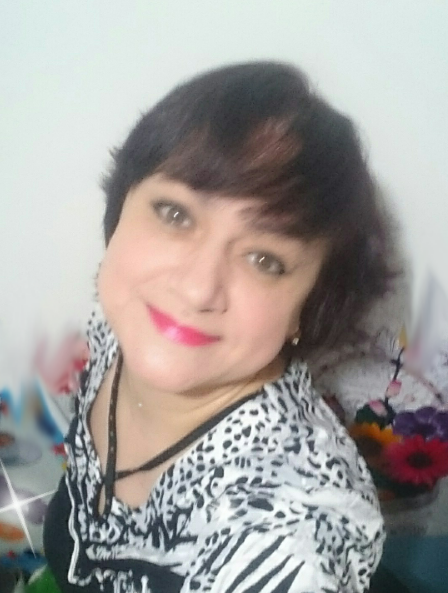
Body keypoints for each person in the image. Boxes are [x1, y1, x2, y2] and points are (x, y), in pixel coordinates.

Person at [44, 61, 392, 593]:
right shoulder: (121, 332)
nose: (197, 289)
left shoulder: (284, 551)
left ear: (307, 307)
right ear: (120, 209)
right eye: (175, 214)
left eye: (264, 259)